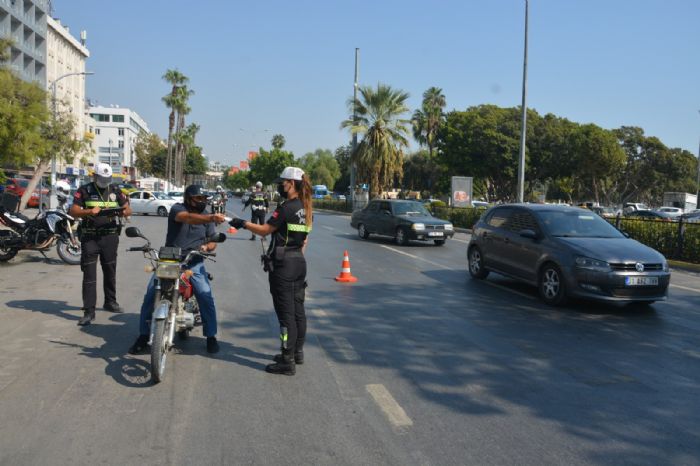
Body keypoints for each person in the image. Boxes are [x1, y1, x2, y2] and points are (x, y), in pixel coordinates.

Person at [229, 167, 312, 375]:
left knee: (286, 316)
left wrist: (243, 224)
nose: (279, 186)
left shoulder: (285, 207)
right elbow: (305, 241)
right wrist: (294, 256)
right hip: (299, 262)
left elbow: (265, 230)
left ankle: (287, 360)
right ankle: (296, 352)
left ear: (291, 184)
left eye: (281, 183)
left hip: (284, 265)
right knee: (298, 311)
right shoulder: (306, 207)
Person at [128, 184, 226, 355]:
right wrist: (211, 217)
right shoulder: (177, 209)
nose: (202, 201)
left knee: (205, 295)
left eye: (204, 198)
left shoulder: (206, 215)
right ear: (188, 198)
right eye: (198, 198)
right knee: (151, 294)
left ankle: (211, 336)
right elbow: (186, 218)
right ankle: (143, 336)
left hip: (193, 261)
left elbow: (213, 241)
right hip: (169, 260)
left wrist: (206, 247)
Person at [69, 163, 132, 326]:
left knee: (110, 270)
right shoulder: (84, 190)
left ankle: (110, 302)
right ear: (94, 176)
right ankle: (89, 311)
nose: (105, 182)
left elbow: (127, 209)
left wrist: (124, 211)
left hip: (110, 237)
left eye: (107, 179)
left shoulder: (115, 190)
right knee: (89, 275)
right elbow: (73, 211)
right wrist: (89, 211)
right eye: (101, 178)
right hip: (90, 238)